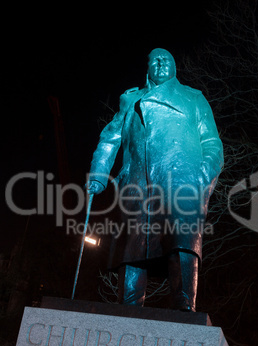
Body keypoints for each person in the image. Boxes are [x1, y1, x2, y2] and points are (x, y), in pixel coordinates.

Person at [87, 48, 224, 312]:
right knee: (133, 250)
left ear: (176, 67)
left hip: (182, 181)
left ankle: (184, 308)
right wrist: (99, 173)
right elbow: (111, 137)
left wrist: (202, 176)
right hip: (137, 183)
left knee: (181, 243)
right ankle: (127, 308)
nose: (161, 63)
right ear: (147, 68)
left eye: (167, 59)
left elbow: (212, 143)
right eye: (155, 60)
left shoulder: (193, 98)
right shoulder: (131, 100)